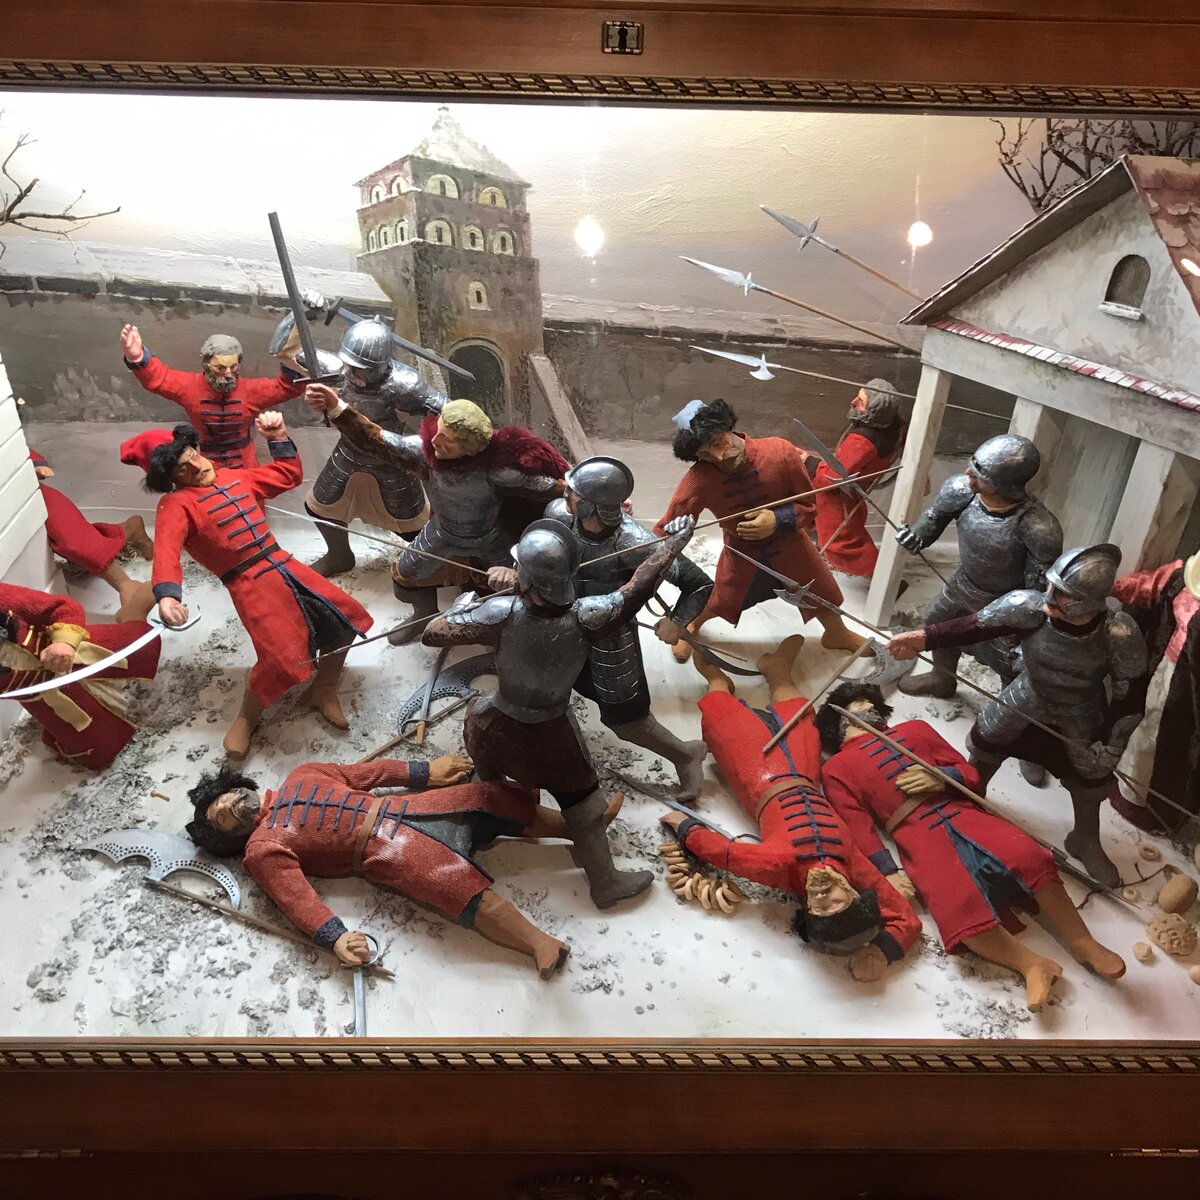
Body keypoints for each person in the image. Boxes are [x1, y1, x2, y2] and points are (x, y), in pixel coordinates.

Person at [423, 517, 696, 909]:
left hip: (492, 722)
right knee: (585, 806)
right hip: (550, 733)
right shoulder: (589, 616)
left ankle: (485, 829)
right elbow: (637, 589)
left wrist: (466, 605)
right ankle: (604, 882)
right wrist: (673, 545)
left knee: (488, 775)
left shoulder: (498, 612)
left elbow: (433, 633)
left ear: (527, 578)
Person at [817, 681, 1125, 1011]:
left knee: (1028, 856)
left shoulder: (915, 730)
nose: (870, 709)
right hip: (917, 835)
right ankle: (1031, 965)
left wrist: (942, 777)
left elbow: (969, 772)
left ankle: (1082, 941)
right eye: (859, 705)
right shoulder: (836, 769)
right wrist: (888, 871)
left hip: (962, 813)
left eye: (871, 703)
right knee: (955, 906)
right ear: (841, 722)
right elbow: (858, 827)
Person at [661, 635, 920, 982]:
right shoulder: (852, 864)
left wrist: (684, 826)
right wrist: (886, 949)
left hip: (757, 774)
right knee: (800, 719)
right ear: (853, 893)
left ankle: (716, 680)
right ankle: (777, 670)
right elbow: (907, 919)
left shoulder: (778, 865)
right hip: (803, 770)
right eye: (837, 902)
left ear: (808, 909)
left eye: (820, 908)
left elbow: (725, 853)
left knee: (724, 719)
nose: (825, 897)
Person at [887, 544, 1147, 888]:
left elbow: (1131, 696)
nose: (1049, 595)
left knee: (1091, 778)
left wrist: (1112, 745)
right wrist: (923, 639)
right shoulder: (1028, 606)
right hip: (1024, 697)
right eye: (1051, 585)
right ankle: (968, 805)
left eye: (1063, 593)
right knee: (985, 745)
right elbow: (975, 626)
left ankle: (1084, 839)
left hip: (1080, 712)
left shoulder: (1118, 633)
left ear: (1088, 601)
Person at [184, 753, 572, 978]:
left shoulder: (302, 773)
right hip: (385, 850)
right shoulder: (262, 847)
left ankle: (576, 827)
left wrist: (426, 771)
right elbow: (296, 898)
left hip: (405, 809)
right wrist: (335, 937)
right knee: (456, 887)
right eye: (223, 817)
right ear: (229, 836)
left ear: (237, 786)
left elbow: (366, 774)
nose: (230, 806)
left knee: (484, 797)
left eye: (226, 798)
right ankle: (539, 943)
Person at [125, 412, 372, 758]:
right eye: (183, 468)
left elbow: (287, 475)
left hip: (286, 565)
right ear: (170, 478)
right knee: (278, 658)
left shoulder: (233, 475)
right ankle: (246, 718)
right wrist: (167, 595)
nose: (196, 466)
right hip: (250, 585)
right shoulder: (176, 505)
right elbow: (166, 552)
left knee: (343, 621)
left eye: (193, 455)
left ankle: (324, 688)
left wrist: (278, 437)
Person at [305, 382, 567, 643]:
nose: (435, 440)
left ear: (471, 447)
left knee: (516, 584)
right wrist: (337, 408)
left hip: (490, 538)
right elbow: (374, 438)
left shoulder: (497, 471)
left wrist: (576, 491)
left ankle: (504, 626)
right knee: (406, 575)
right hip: (442, 532)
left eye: (448, 440)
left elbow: (546, 487)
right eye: (438, 431)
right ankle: (424, 615)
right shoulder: (423, 455)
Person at [535, 455, 712, 799]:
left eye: (574, 491)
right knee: (549, 688)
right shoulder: (559, 516)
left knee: (625, 719)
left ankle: (685, 754)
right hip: (564, 623)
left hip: (610, 637)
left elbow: (699, 584)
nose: (566, 493)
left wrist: (677, 622)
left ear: (592, 506)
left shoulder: (633, 542)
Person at [655, 398, 862, 665]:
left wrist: (778, 520)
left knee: (820, 591)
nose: (718, 456)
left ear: (727, 427)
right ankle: (691, 624)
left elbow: (809, 505)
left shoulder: (779, 452)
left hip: (792, 548)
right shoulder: (700, 479)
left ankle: (836, 633)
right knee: (721, 596)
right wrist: (645, 558)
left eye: (718, 442)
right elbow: (667, 527)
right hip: (742, 555)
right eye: (705, 453)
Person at [272, 308, 449, 576]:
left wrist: (420, 447)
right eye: (349, 364)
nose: (351, 372)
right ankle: (339, 556)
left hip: (391, 460)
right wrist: (301, 313)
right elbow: (284, 351)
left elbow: (448, 413)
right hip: (348, 454)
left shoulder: (404, 384)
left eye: (360, 369)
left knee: (414, 528)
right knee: (320, 508)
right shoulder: (338, 370)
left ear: (381, 367)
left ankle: (430, 567)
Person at [893, 434, 1062, 703]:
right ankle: (942, 678)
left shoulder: (1038, 527)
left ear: (1004, 484)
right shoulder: (961, 491)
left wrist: (1029, 625)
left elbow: (1038, 584)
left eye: (980, 471)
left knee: (1008, 659)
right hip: (964, 583)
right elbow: (935, 518)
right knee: (936, 621)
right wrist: (916, 536)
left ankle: (1005, 708)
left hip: (1006, 599)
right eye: (973, 463)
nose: (968, 473)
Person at [0, 582, 161, 769]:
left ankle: (133, 611)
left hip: (78, 653)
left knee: (145, 646)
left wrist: (64, 642)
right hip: (47, 699)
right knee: (100, 752)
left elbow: (64, 607)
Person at [120, 324, 304, 473]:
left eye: (233, 367)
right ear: (207, 364)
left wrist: (295, 362)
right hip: (205, 463)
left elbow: (284, 388)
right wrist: (138, 357)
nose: (228, 373)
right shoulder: (190, 387)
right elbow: (160, 379)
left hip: (245, 464)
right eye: (220, 368)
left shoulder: (250, 391)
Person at [1109, 551, 1200, 841]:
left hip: (1190, 691)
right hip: (1165, 668)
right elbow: (1149, 584)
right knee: (1145, 732)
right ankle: (1129, 795)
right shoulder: (1181, 579)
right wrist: (1108, 585)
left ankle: (1157, 810)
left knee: (1174, 747)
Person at [30, 448, 155, 620]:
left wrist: (30, 464)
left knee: (72, 539)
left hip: (27, 492)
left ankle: (127, 586)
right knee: (67, 543)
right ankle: (129, 529)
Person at [812, 379, 905, 577]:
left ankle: (879, 577)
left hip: (840, 493)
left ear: (875, 411)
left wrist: (808, 463)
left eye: (861, 402)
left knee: (842, 539)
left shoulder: (861, 442)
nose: (853, 401)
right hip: (851, 485)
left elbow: (830, 478)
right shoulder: (895, 425)